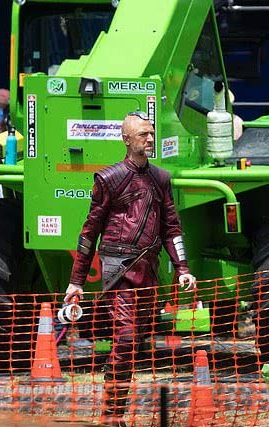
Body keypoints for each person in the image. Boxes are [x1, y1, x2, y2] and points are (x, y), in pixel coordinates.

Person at [64, 112, 197, 426]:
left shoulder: (161, 178)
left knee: (135, 343)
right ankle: (111, 417)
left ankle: (115, 406)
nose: (149, 139)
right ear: (126, 139)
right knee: (124, 340)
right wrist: (76, 281)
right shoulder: (108, 179)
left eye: (151, 134)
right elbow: (89, 231)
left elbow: (172, 229)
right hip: (118, 271)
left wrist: (183, 268)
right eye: (142, 134)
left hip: (148, 272)